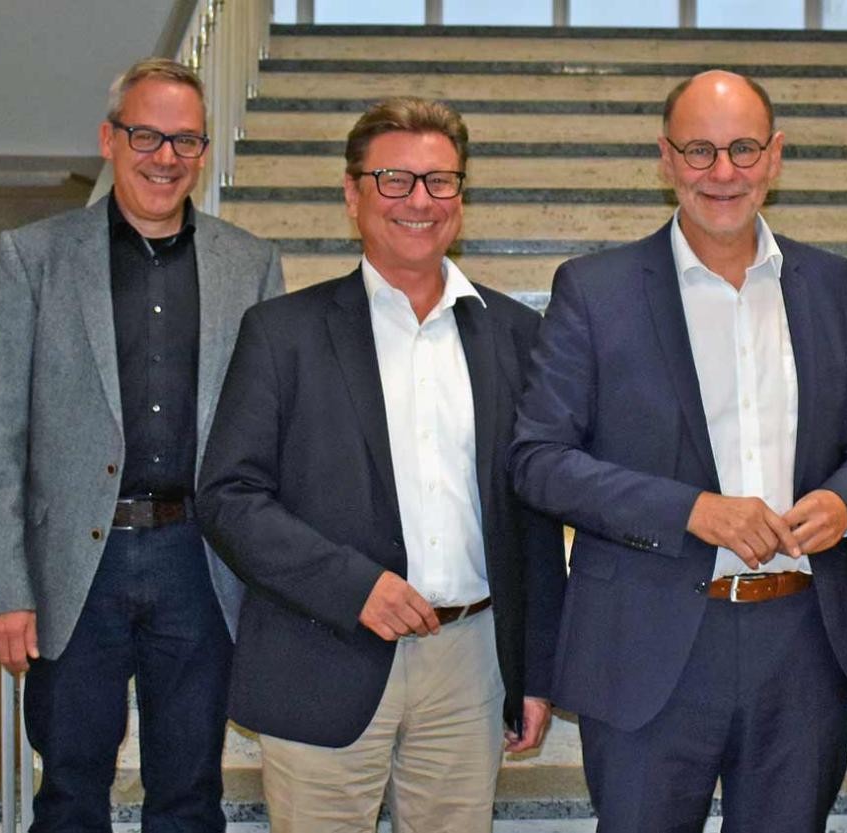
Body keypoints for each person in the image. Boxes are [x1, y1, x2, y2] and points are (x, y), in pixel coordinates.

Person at [510, 70, 847, 832]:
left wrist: (846, 498)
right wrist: (692, 510)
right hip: (646, 647)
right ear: (665, 158)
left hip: (801, 646)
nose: (723, 172)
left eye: (743, 149)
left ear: (776, 156)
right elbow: (538, 459)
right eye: (700, 150)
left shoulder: (830, 283)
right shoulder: (596, 290)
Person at [195, 96, 566, 833]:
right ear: (352, 193)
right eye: (394, 180)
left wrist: (535, 668)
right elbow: (228, 496)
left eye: (440, 181)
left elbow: (534, 515)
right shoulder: (283, 333)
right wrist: (351, 584)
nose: (419, 201)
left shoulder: (519, 335)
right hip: (319, 650)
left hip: (470, 662)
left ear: (461, 195)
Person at [0, 58, 284, 829]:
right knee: (70, 792)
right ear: (109, 139)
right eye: (147, 134)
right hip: (77, 568)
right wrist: (2, 588)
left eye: (185, 140)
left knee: (189, 792)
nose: (165, 157)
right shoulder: (31, 258)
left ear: (203, 152)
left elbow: (274, 434)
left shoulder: (252, 264)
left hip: (199, 564)